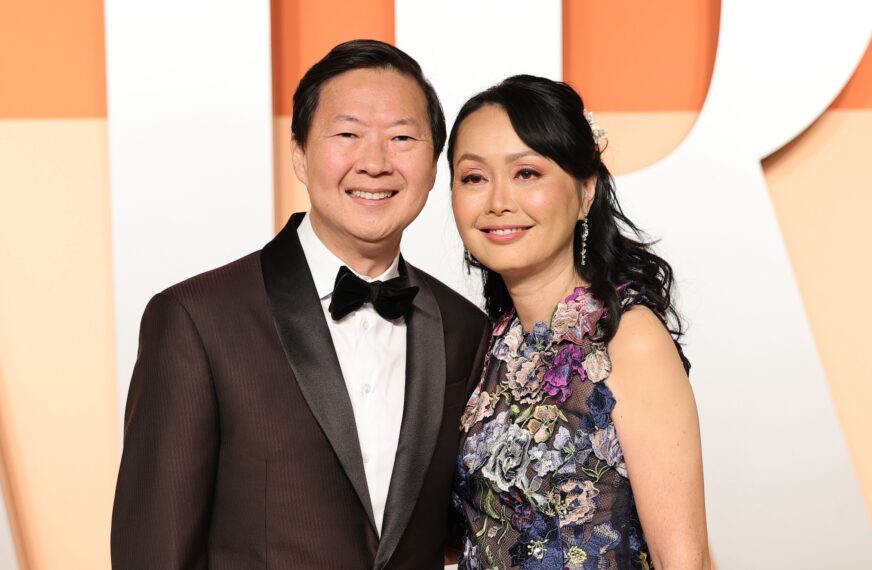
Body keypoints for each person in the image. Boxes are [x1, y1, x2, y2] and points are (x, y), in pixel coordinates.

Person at [111, 39, 491, 569]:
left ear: (433, 166)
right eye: (348, 134)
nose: (375, 162)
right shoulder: (196, 320)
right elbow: (155, 551)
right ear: (299, 154)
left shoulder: (466, 329)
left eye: (402, 137)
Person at [448, 75, 709, 569]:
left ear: (586, 191)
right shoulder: (491, 342)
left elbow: (686, 559)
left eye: (527, 173)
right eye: (474, 177)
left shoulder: (628, 339)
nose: (498, 201)